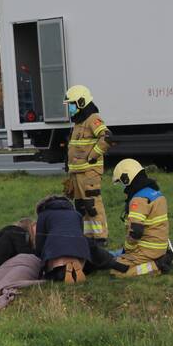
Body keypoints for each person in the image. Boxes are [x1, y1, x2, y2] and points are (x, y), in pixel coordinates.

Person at [63, 85, 112, 247]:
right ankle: (88, 236)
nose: (69, 108)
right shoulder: (78, 122)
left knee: (92, 204)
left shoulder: (93, 119)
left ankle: (100, 237)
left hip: (89, 172)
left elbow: (106, 137)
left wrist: (92, 157)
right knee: (81, 207)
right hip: (77, 173)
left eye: (72, 104)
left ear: (81, 102)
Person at [110, 159, 173, 277]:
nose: (122, 187)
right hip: (159, 246)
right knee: (115, 256)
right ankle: (162, 257)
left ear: (127, 179)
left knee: (117, 270)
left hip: (147, 249)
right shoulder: (155, 193)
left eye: (121, 182)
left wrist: (127, 250)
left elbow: (136, 232)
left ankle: (158, 265)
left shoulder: (138, 200)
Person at [35, 195, 91, 284]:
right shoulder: (77, 214)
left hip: (56, 250)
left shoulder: (43, 215)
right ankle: (75, 268)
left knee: (53, 275)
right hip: (80, 249)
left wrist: (40, 260)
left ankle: (63, 271)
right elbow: (80, 232)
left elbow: (40, 240)